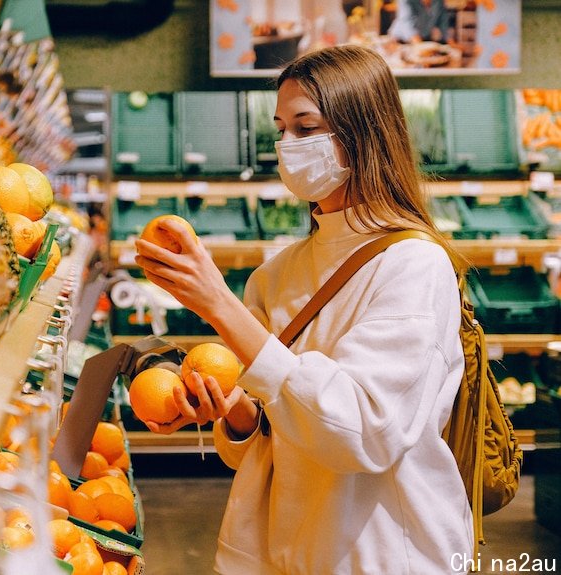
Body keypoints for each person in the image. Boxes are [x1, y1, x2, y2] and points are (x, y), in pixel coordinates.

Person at [134, 44, 473, 574]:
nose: (286, 146)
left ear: (362, 134)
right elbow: (267, 442)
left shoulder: (414, 265)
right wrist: (230, 411)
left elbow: (361, 434)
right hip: (281, 551)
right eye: (280, 129)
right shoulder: (277, 273)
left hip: (379, 556)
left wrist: (219, 303)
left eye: (306, 128)